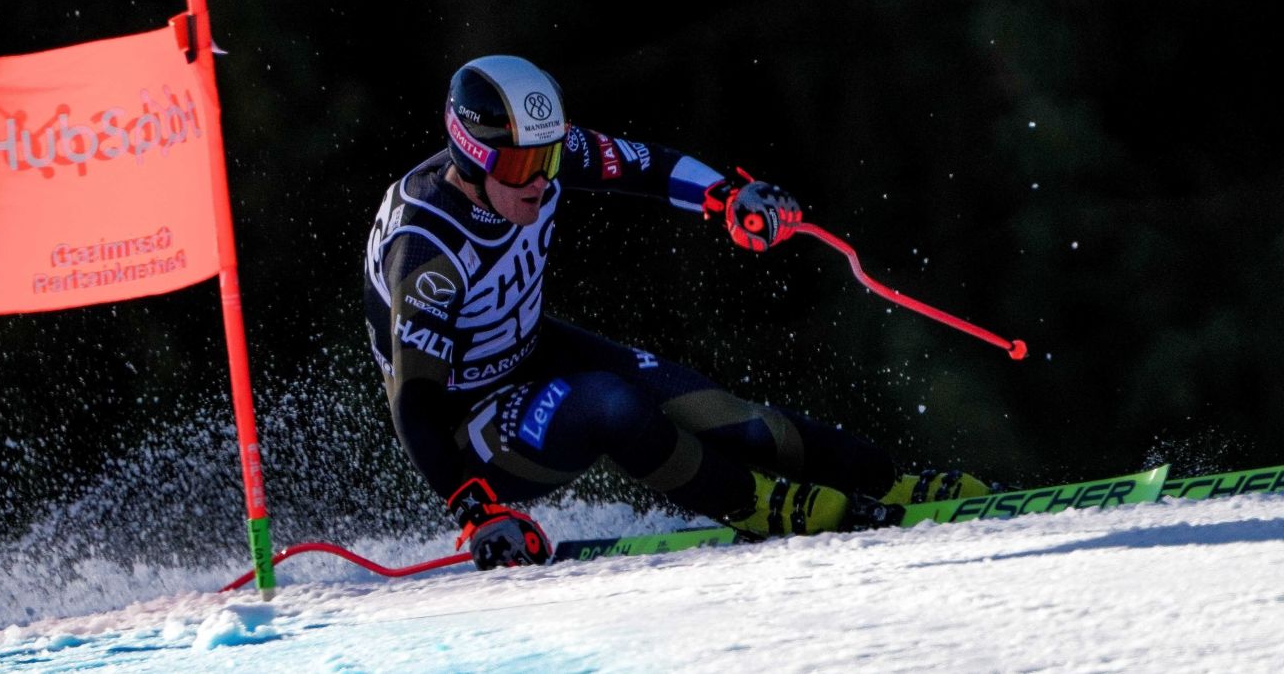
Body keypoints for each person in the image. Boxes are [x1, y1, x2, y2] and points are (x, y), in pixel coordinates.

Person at [362, 55, 988, 570]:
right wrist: (477, 512)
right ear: (473, 157)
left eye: (551, 158)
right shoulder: (428, 252)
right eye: (524, 166)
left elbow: (644, 166)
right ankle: (756, 506)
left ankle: (885, 482)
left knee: (717, 411)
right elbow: (413, 402)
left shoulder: (535, 157)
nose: (540, 181)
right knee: (612, 403)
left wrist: (727, 198)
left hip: (525, 347)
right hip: (468, 427)